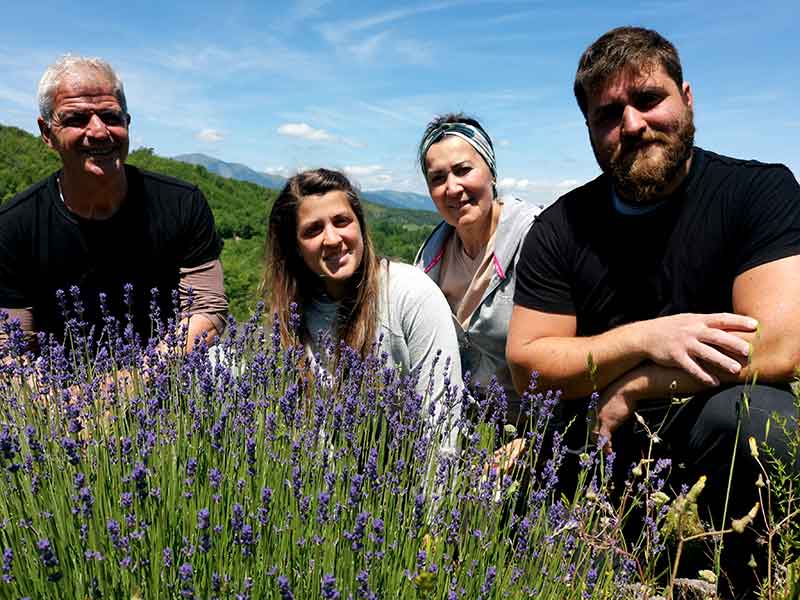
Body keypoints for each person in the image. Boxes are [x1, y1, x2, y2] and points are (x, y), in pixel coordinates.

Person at [506, 26, 800, 596]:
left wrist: (637, 384)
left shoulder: (757, 193)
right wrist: (645, 338)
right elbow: (529, 366)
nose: (633, 125)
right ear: (590, 130)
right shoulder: (560, 228)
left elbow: (780, 344)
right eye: (609, 114)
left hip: (710, 438)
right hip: (597, 440)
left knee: (762, 418)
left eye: (648, 99)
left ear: (686, 99)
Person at [0, 55, 226, 353]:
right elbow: (10, 347)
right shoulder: (14, 225)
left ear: (127, 123)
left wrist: (131, 385)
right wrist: (69, 398)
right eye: (76, 119)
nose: (98, 131)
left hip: (170, 378)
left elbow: (207, 311)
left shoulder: (182, 203)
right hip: (59, 391)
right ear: (47, 133)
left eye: (110, 117)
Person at [265, 168, 461, 427]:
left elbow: (441, 428)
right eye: (313, 230)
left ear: (360, 226)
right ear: (296, 248)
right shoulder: (294, 317)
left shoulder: (411, 294)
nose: (332, 239)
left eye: (341, 221)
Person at [415, 114, 537, 426]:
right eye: (437, 178)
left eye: (463, 170)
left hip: (536, 434)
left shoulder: (536, 239)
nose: (452, 188)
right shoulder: (430, 259)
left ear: (491, 172)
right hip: (464, 431)